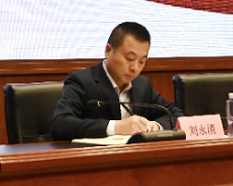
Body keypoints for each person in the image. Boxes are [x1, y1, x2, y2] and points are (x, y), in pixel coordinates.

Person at [51, 22, 185, 140]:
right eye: (129, 59)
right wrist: (116, 127)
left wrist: (156, 126)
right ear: (108, 51)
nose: (135, 68)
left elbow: (177, 115)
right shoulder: (82, 81)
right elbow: (60, 124)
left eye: (142, 61)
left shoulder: (142, 85)